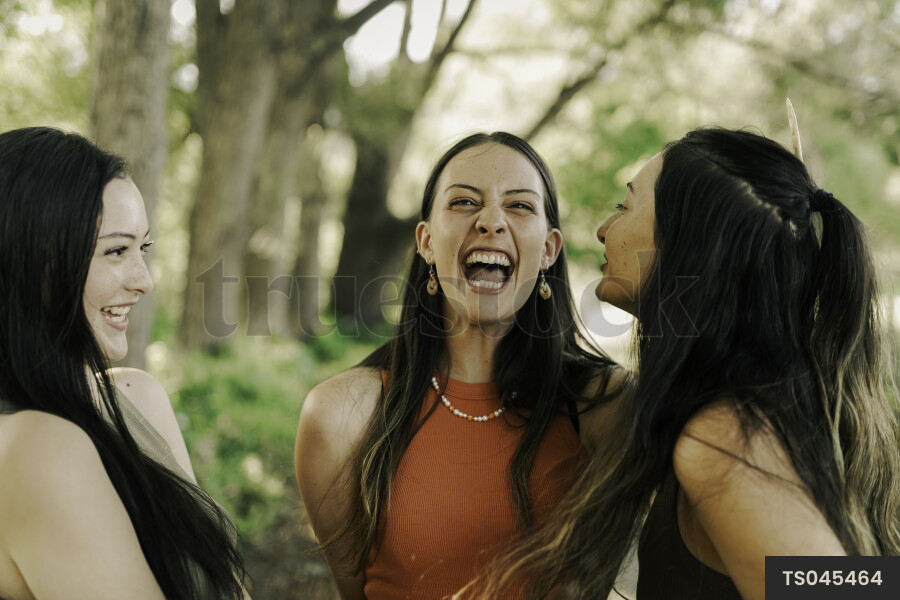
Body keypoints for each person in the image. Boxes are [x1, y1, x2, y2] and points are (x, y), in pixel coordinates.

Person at [469, 126, 900, 600]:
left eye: (625, 207)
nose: (602, 230)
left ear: (687, 238)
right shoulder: (743, 412)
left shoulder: (722, 438)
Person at [295, 131, 625, 599]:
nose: (491, 221)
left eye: (520, 206)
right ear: (426, 242)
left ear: (550, 250)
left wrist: (775, 584)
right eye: (465, 202)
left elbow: (753, 526)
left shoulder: (605, 405)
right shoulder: (340, 416)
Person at [0, 127, 246, 599]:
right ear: (31, 264)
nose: (144, 281)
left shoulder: (139, 397)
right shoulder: (34, 447)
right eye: (116, 251)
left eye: (142, 249)